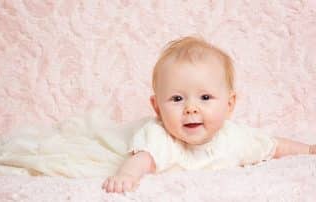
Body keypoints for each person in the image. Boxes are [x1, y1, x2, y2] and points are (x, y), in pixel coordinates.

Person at [102, 36, 316, 193]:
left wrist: (308, 149)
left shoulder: (235, 138)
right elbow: (141, 159)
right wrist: (126, 176)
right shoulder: (159, 136)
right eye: (177, 99)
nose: (191, 109)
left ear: (229, 104)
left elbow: (275, 146)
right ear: (157, 107)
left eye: (205, 98)